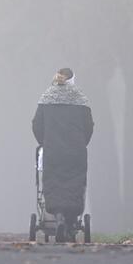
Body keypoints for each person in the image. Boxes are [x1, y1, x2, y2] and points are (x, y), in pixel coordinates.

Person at [32, 67, 94, 242]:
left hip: (53, 151)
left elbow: (37, 124)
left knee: (53, 182)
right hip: (76, 152)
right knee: (75, 183)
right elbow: (89, 126)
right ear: (73, 79)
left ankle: (58, 216)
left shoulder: (46, 97)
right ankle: (69, 220)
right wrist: (82, 143)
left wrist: (45, 142)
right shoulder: (81, 99)